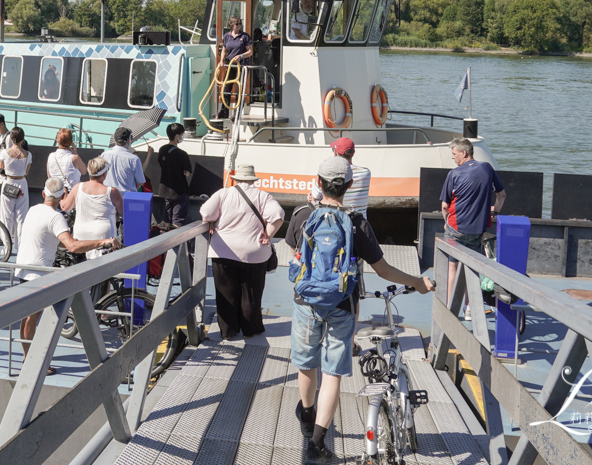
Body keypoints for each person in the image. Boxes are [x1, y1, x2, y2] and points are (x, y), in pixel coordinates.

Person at [287, 156, 433, 461]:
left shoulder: (302, 216)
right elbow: (384, 270)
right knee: (332, 373)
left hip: (306, 302)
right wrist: (417, 282)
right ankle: (316, 443)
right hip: (342, 304)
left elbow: (296, 257)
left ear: (318, 182)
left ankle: (306, 413)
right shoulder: (356, 223)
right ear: (349, 186)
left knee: (306, 363)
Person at [17, 179, 118, 371]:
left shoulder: (34, 209)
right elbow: (71, 246)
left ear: (44, 194)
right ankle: (32, 363)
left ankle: (27, 359)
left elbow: (59, 241)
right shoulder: (56, 217)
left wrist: (79, 242)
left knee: (28, 318)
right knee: (37, 317)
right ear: (63, 196)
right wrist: (103, 242)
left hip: (23, 268)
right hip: (39, 273)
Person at [200, 164, 284, 341]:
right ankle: (250, 329)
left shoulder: (224, 193)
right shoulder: (263, 196)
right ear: (253, 180)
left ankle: (228, 331)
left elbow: (206, 213)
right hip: (254, 252)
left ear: (236, 179)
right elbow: (277, 215)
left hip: (223, 250)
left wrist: (211, 222)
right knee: (251, 294)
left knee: (226, 294)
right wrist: (267, 235)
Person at [440, 137, 506, 304]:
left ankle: (451, 305)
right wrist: (495, 210)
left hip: (456, 228)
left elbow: (445, 207)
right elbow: (502, 195)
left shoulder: (453, 174)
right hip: (477, 230)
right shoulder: (486, 168)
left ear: (463, 153)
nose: (453, 157)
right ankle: (470, 308)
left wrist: (446, 221)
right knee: (472, 268)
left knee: (453, 266)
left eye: (454, 154)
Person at [61, 157, 123, 260]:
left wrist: (63, 197)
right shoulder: (112, 192)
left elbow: (65, 207)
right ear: (104, 174)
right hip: (104, 236)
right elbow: (123, 212)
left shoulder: (77, 187)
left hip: (81, 236)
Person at [0, 127, 32, 242]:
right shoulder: (28, 155)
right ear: (23, 139)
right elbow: (26, 172)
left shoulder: (4, 153)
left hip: (8, 183)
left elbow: (2, 170)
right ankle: (19, 245)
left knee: (6, 216)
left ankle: (6, 245)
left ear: (11, 138)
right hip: (22, 183)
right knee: (21, 217)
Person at [156, 123, 193, 227]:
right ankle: (177, 243)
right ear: (177, 136)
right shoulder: (182, 154)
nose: (182, 137)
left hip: (165, 191)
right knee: (178, 221)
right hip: (179, 191)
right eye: (181, 134)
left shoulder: (162, 150)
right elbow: (187, 173)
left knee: (166, 220)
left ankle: (164, 238)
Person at [321, 137, 370, 216]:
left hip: (337, 221)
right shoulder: (366, 173)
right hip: (360, 223)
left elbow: (314, 197)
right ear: (353, 153)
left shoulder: (331, 173)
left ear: (335, 153)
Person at [218, 16, 252, 118]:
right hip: (230, 65)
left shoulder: (245, 36)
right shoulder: (227, 36)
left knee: (239, 89)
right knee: (226, 88)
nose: (239, 26)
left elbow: (250, 51)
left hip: (241, 66)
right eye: (237, 24)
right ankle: (224, 111)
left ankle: (237, 113)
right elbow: (224, 49)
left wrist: (241, 56)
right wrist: (221, 61)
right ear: (231, 25)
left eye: (240, 24)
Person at [101, 126, 145, 194]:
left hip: (108, 197)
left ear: (115, 140)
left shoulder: (104, 155)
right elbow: (139, 182)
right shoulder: (134, 159)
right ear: (128, 141)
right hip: (126, 199)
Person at [46, 128, 85, 193]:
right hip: (72, 193)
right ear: (70, 142)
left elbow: (49, 175)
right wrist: (75, 152)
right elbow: (84, 171)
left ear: (58, 141)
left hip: (56, 193)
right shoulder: (74, 158)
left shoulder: (51, 156)